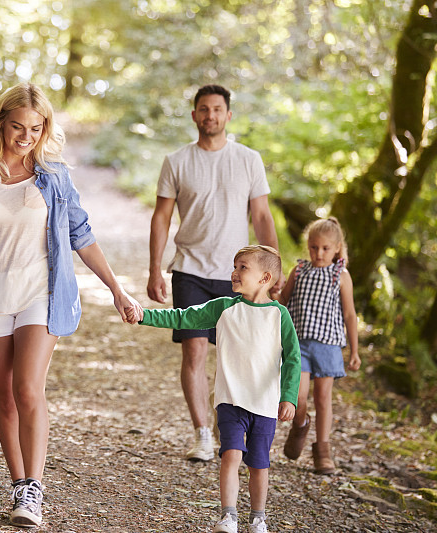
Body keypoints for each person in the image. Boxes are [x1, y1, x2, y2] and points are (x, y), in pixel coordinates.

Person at [0, 83, 142, 528]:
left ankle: (34, 487)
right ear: (0, 123)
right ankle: (18, 485)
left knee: (27, 389)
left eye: (36, 128)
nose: (26, 137)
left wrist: (116, 288)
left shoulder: (53, 174)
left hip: (42, 293)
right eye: (18, 127)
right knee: (5, 397)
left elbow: (81, 235)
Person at [147, 84, 281, 462]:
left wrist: (274, 270)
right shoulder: (177, 161)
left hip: (240, 274)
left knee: (237, 357)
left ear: (228, 115)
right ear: (194, 116)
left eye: (218, 109)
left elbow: (261, 216)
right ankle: (202, 433)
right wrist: (155, 268)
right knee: (194, 353)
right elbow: (161, 217)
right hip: (189, 268)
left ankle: (229, 424)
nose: (211, 115)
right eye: (203, 109)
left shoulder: (248, 159)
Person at [136, 245, 300, 533]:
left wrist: (289, 397)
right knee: (231, 454)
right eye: (235, 266)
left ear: (265, 277)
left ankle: (258, 518)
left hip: (264, 404)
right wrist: (142, 316)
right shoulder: (223, 307)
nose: (234, 273)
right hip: (230, 401)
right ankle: (229, 515)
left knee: (259, 464)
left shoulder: (279, 315)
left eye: (242, 268)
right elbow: (182, 317)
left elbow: (293, 359)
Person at [278, 217, 360, 474]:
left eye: (325, 248)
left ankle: (322, 452)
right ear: (308, 246)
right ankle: (300, 425)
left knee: (323, 398)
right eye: (314, 247)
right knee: (298, 397)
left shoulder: (341, 275)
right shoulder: (299, 270)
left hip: (328, 347)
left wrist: (354, 351)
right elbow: (283, 300)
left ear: (337, 247)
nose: (319, 253)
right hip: (298, 345)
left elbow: (349, 315)